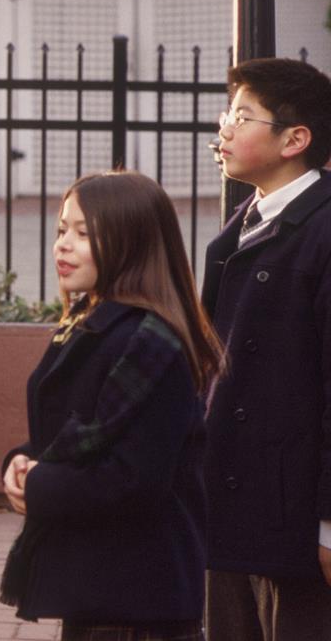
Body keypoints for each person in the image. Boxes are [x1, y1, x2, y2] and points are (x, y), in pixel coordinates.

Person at [0, 171, 225, 641]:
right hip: (102, 585)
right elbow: (75, 432)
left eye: (84, 233)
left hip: (139, 596)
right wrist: (21, 461)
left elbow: (134, 479)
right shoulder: (94, 322)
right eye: (62, 229)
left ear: (131, 242)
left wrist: (39, 483)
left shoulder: (148, 343)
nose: (63, 245)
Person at [200, 58, 331, 641]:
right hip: (231, 501)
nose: (224, 129)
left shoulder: (323, 229)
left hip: (293, 515)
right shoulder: (244, 223)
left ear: (294, 140)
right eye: (228, 114)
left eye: (243, 116)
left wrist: (329, 525)